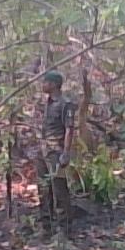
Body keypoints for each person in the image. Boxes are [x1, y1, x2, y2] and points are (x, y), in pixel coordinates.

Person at [37, 71, 77, 234]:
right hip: (44, 150)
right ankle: (46, 226)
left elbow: (69, 129)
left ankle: (64, 229)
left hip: (56, 152)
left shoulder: (65, 104)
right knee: (43, 188)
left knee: (59, 189)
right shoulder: (47, 103)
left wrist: (66, 153)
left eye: (46, 82)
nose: (43, 85)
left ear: (53, 85)